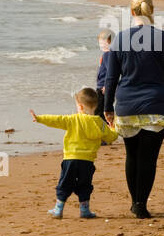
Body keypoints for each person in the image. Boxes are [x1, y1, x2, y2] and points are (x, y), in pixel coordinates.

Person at [104, 0, 164, 218]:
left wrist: (107, 107)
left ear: (132, 12)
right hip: (157, 103)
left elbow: (111, 78)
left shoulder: (120, 38)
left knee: (132, 155)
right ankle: (141, 204)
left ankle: (135, 201)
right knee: (149, 158)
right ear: (152, 10)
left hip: (127, 105)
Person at [31, 87, 118, 219]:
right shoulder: (99, 123)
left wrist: (40, 118)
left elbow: (56, 120)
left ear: (81, 107)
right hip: (87, 161)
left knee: (64, 183)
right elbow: (111, 137)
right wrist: (113, 126)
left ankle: (58, 210)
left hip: (70, 159)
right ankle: (84, 210)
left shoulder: (73, 119)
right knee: (85, 185)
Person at [95, 30, 115, 114]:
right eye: (99, 43)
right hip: (105, 86)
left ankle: (102, 125)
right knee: (104, 108)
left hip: (102, 88)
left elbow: (110, 71)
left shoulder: (107, 54)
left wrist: (106, 85)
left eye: (102, 43)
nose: (100, 45)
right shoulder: (112, 54)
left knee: (99, 111)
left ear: (109, 42)